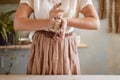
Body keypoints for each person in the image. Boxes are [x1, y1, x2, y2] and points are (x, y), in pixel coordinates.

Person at [14, 0, 100, 75]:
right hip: (41, 47)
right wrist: (48, 23)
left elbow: (95, 22)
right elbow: (18, 23)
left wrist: (66, 21)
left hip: (66, 47)